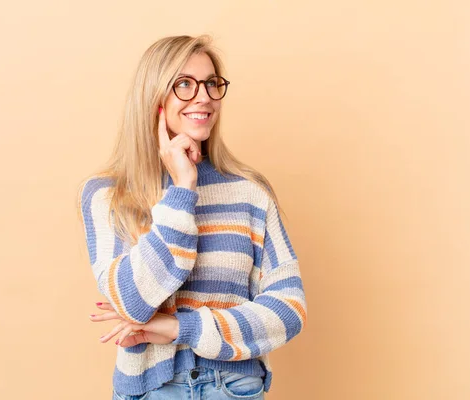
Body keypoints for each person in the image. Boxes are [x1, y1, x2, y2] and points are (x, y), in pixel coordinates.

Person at [78, 35, 306, 400]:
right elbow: (133, 301)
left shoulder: (250, 193)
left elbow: (288, 310)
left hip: (233, 389)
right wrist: (183, 188)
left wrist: (180, 327)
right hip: (149, 391)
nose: (204, 97)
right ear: (154, 99)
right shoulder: (108, 194)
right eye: (184, 84)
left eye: (211, 84)